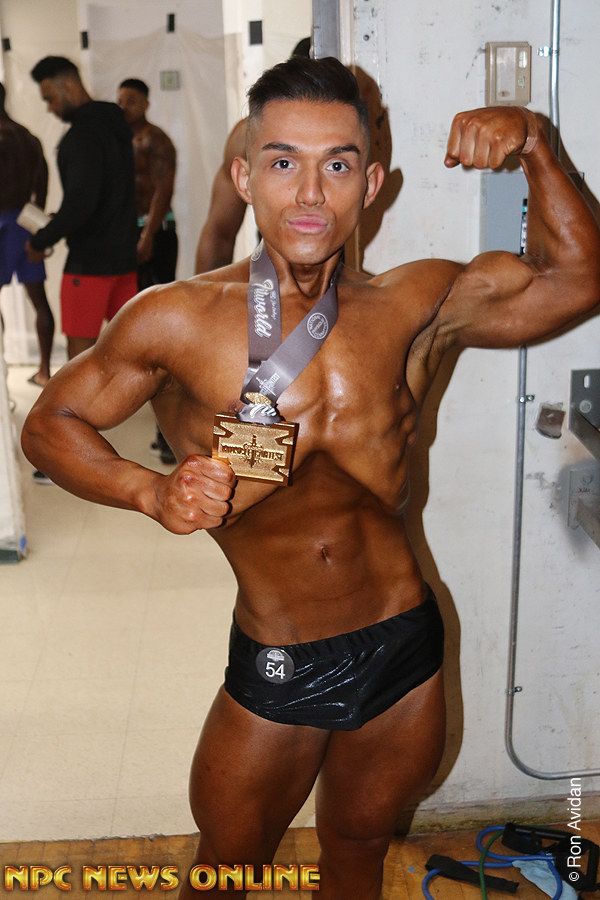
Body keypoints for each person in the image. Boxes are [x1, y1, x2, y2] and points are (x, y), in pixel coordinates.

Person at [21, 57, 600, 898]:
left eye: (336, 166)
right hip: (279, 655)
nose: (308, 193)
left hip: (403, 647)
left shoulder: (416, 304)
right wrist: (149, 492)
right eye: (283, 161)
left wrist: (537, 146)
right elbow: (49, 426)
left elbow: (576, 280)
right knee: (227, 871)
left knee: (359, 850)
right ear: (243, 177)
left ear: (371, 184)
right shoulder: (175, 319)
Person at [27, 57, 137, 362]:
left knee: (80, 360)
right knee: (133, 353)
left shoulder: (80, 137)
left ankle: (84, 400)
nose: (49, 108)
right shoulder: (117, 126)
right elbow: (102, 194)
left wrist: (41, 240)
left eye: (49, 98)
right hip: (124, 261)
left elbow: (80, 204)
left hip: (89, 265)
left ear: (68, 85)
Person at [194, 37, 312, 275]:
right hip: (274, 279)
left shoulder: (357, 137)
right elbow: (220, 232)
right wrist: (205, 293)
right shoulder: (248, 136)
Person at [117, 76, 178, 465]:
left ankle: (168, 431)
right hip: (130, 234)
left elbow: (162, 190)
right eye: (121, 100)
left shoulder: (156, 140)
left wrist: (148, 234)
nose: (125, 106)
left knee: (158, 321)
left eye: (132, 100)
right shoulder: (120, 140)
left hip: (156, 234)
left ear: (146, 102)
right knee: (136, 317)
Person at [0, 81, 54, 387]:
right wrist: (36, 224)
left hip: (2, 223)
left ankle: (1, 374)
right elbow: (42, 184)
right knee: (39, 299)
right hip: (25, 221)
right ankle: (45, 371)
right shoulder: (28, 137)